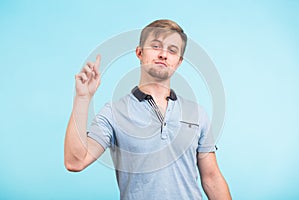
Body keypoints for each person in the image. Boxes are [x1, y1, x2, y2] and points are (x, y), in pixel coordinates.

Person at [64, 19, 231, 200]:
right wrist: (82, 98)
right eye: (156, 46)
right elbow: (75, 161)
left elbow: (212, 177)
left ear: (178, 62)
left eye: (172, 50)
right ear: (139, 53)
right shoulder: (114, 113)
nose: (163, 55)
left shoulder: (197, 114)